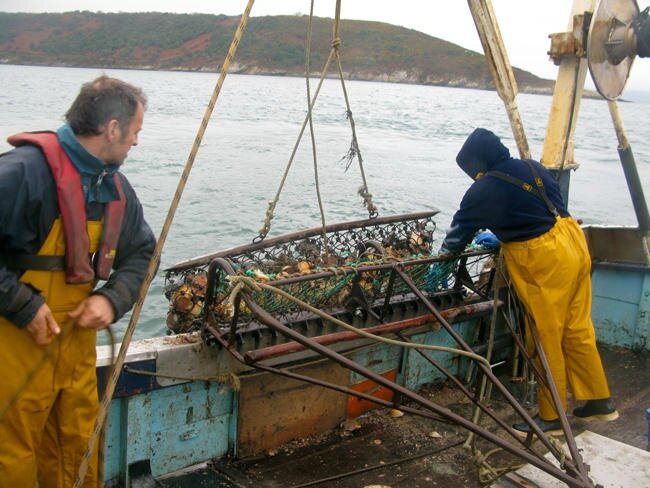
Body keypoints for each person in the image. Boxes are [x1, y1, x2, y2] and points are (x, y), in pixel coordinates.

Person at [0, 75, 156, 487]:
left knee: (77, 444)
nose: (136, 143)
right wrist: (23, 305)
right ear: (113, 129)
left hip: (75, 346)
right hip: (13, 344)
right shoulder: (20, 175)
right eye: (135, 131)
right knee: (9, 453)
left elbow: (143, 253)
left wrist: (112, 299)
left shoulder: (117, 189)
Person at [438, 128, 618, 436]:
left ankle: (553, 418)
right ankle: (598, 399)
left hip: (544, 259)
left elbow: (459, 232)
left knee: (545, 336)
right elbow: (540, 206)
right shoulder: (532, 166)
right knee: (577, 328)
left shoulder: (484, 188)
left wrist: (442, 262)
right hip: (573, 243)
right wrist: (507, 230)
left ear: (476, 163)